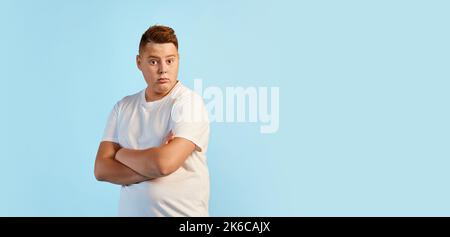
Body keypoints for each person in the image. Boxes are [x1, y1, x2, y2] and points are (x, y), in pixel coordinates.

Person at [94, 25, 210, 217]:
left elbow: (164, 164)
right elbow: (101, 169)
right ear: (139, 62)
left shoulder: (188, 103)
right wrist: (151, 168)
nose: (163, 69)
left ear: (178, 60)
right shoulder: (123, 107)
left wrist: (121, 154)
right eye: (154, 62)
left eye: (170, 61)